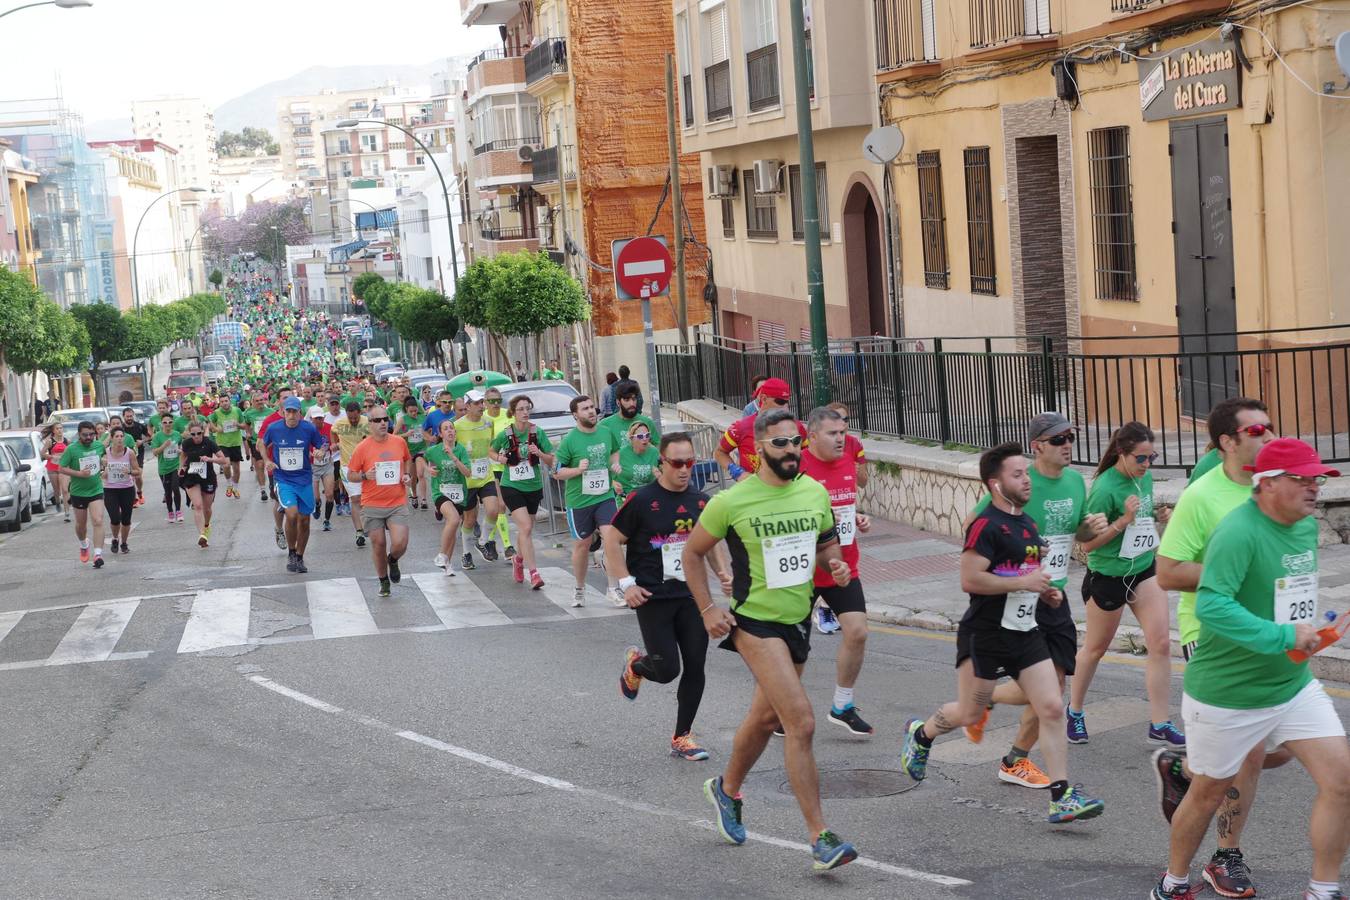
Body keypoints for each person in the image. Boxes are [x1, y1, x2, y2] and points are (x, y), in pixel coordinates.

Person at [1150, 438, 1350, 900]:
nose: (1314, 487)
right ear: (1269, 483)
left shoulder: (1303, 527)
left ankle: (1323, 890)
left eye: (1317, 478)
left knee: (1340, 780)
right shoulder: (1238, 531)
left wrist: (1311, 634)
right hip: (1229, 693)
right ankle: (1173, 883)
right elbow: (1215, 606)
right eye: (1303, 478)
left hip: (1291, 684)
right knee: (1208, 793)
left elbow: (1287, 595)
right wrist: (1282, 637)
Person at [682, 408, 859, 871]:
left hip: (798, 620)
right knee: (799, 722)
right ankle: (820, 837)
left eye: (795, 441)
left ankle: (725, 788)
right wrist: (707, 610)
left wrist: (835, 564)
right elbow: (692, 553)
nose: (790, 450)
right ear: (758, 447)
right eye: (779, 443)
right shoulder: (732, 501)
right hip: (754, 624)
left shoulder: (814, 492)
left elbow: (825, 544)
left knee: (763, 720)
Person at [899, 441, 1105, 823]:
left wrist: (1047, 592)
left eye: (1026, 473)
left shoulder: (1027, 525)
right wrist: (1023, 583)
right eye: (1017, 474)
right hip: (986, 634)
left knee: (1052, 706)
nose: (1026, 480)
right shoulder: (985, 526)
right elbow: (970, 579)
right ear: (995, 484)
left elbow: (1026, 578)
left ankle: (1062, 796)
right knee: (968, 712)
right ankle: (921, 734)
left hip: (1024, 632)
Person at [1155, 397, 1279, 898]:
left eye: (1271, 426)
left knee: (1275, 750)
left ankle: (1183, 769)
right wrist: (1230, 576)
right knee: (1248, 753)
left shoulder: (1274, 489)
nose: (1269, 436)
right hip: (1209, 633)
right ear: (1228, 441)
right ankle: (1226, 856)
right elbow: (1168, 571)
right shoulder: (1202, 496)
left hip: (1267, 633)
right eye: (1258, 430)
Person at [958, 412, 1109, 788]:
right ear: (1037, 446)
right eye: (1058, 439)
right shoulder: (1019, 484)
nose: (1067, 444)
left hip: (1053, 594)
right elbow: (974, 527)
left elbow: (1075, 532)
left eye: (1070, 436)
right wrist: (1014, 568)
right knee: (1045, 691)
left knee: (1052, 689)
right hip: (1017, 598)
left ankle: (1011, 753)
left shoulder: (1075, 481)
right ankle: (987, 711)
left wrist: (1089, 528)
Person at [608, 431, 731, 761]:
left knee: (696, 664)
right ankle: (637, 664)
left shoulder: (701, 501)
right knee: (666, 671)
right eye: (677, 463)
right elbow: (611, 541)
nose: (684, 469)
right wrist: (626, 584)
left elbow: (710, 541)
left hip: (692, 596)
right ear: (661, 462)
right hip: (653, 597)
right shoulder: (643, 500)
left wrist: (721, 572)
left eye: (690, 462)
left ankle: (682, 736)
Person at [1068, 421, 1184, 746]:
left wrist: (1157, 518)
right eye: (1141, 459)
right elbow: (1087, 546)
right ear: (1122, 453)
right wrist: (1123, 521)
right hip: (1108, 577)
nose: (1147, 465)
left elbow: (1141, 521)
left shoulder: (1143, 478)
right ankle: (1074, 711)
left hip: (1144, 569)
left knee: (1160, 643)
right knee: (1094, 649)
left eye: (1152, 457)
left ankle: (1160, 722)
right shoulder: (1105, 489)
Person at [798, 406, 876, 736]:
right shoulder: (797, 467)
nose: (841, 439)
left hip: (844, 565)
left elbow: (842, 505)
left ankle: (842, 705)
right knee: (795, 649)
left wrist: (856, 518)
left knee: (857, 632)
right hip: (804, 570)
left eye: (843, 432)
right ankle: (778, 707)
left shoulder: (847, 460)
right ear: (812, 436)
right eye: (833, 433)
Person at [553, 395, 623, 608]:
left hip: (604, 496)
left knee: (611, 538)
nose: (591, 411)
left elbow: (614, 452)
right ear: (575, 415)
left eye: (592, 407)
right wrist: (577, 470)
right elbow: (557, 472)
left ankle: (613, 589)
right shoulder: (569, 440)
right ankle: (579, 588)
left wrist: (615, 466)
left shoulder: (605, 432)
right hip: (579, 501)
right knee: (582, 545)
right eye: (585, 409)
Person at [489, 395, 555, 589]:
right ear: (513, 412)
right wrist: (500, 459)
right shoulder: (506, 433)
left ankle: (518, 559)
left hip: (533, 486)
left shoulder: (537, 432)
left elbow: (551, 459)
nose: (525, 412)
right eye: (521, 409)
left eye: (528, 408)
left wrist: (539, 453)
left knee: (527, 529)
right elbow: (491, 451)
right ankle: (534, 573)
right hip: (512, 486)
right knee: (525, 527)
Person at [347, 405, 413, 598]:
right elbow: (351, 475)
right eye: (378, 420)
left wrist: (407, 475)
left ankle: (393, 560)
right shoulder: (362, 448)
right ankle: (383, 580)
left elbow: (407, 460)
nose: (383, 423)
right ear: (370, 424)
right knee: (378, 543)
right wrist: (365, 475)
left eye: (385, 419)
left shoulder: (399, 442)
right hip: (372, 503)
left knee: (400, 543)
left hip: (397, 502)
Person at [263, 396, 327, 573]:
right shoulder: (274, 428)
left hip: (304, 479)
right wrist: (267, 459)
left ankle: (299, 556)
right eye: (288, 411)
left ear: (300, 413)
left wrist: (321, 451)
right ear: (283, 412)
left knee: (305, 520)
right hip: (284, 479)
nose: (291, 415)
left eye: (294, 412)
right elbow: (261, 443)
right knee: (291, 514)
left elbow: (323, 442)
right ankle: (291, 552)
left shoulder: (308, 428)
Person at [714, 377, 805, 481]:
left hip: (788, 491)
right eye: (780, 401)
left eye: (787, 401)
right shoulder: (741, 427)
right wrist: (737, 473)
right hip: (752, 493)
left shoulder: (796, 426)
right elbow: (719, 452)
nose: (785, 407)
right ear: (764, 398)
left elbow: (809, 453)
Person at [455, 389, 505, 568]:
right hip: (467, 478)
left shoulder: (489, 423)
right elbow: (451, 449)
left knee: (494, 509)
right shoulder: (458, 426)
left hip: (485, 474)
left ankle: (482, 542)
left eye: (482, 403)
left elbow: (490, 446)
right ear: (467, 406)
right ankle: (466, 553)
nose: (481, 406)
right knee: (469, 519)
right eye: (476, 403)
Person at [55, 421, 107, 569]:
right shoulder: (71, 449)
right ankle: (84, 544)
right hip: (78, 492)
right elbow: (61, 468)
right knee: (81, 525)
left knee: (97, 520)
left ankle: (97, 554)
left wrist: (105, 463)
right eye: (85, 435)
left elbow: (105, 459)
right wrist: (78, 473)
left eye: (91, 434)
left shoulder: (98, 446)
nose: (89, 437)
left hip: (96, 489)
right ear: (79, 434)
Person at [426, 418, 473, 576]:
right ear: (440, 434)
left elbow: (467, 473)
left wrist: (453, 457)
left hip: (459, 493)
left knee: (453, 526)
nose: (450, 431)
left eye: (452, 428)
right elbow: (419, 458)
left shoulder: (461, 450)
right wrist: (428, 468)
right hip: (441, 492)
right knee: (454, 519)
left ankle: (447, 564)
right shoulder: (434, 450)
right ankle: (441, 555)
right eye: (446, 429)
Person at [179, 421, 228, 548]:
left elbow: (224, 460)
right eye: (193, 434)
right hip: (191, 477)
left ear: (202, 432)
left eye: (199, 433)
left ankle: (206, 525)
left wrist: (210, 459)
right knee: (198, 506)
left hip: (208, 478)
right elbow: (183, 456)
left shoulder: (209, 443)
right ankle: (202, 535)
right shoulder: (186, 443)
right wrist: (182, 467)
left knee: (207, 508)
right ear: (190, 434)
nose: (196, 436)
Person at [333, 401, 371, 548]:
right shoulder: (340, 423)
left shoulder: (367, 422)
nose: (353, 421)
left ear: (360, 413)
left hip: (366, 466)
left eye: (355, 418)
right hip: (347, 466)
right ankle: (359, 531)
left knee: (366, 499)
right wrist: (335, 443)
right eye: (350, 418)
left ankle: (368, 522)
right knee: (355, 498)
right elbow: (333, 432)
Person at [484, 386, 514, 560]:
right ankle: (508, 546)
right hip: (491, 467)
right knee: (500, 506)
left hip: (508, 466)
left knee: (498, 509)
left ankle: (488, 539)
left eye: (498, 400)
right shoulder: (483, 419)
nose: (495, 404)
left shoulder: (507, 414)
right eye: (492, 401)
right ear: (485, 402)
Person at [101, 427, 140, 554]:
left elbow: (137, 471)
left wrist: (129, 471)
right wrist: (104, 471)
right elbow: (99, 474)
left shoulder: (129, 453)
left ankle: (123, 542)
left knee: (126, 519)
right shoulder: (105, 453)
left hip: (127, 489)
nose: (119, 439)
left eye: (121, 436)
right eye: (116, 436)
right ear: (111, 438)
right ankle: (114, 538)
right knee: (115, 518)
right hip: (110, 489)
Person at [207, 393, 245, 499]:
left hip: (235, 443)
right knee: (227, 465)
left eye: (226, 401)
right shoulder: (216, 412)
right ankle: (229, 484)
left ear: (230, 401)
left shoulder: (237, 411)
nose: (224, 403)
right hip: (222, 443)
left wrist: (237, 424)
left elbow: (244, 426)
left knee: (237, 469)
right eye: (222, 401)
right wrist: (215, 429)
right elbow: (209, 422)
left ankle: (235, 488)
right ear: (220, 403)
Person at [600, 382, 659, 447]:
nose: (632, 403)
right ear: (618, 402)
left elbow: (657, 448)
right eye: (627, 400)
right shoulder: (605, 425)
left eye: (634, 399)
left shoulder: (647, 422)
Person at [150, 414, 184, 523]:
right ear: (161, 424)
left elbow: (181, 448)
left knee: (175, 488)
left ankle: (178, 511)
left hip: (175, 466)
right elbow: (155, 452)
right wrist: (164, 446)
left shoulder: (177, 435)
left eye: (170, 422)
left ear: (173, 423)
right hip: (164, 469)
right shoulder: (157, 436)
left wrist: (180, 451)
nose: (167, 424)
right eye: (165, 422)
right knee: (168, 491)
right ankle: (170, 512)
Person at [308, 406, 337, 532]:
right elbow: (303, 446)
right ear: (311, 419)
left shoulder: (330, 428)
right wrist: (312, 453)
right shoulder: (307, 429)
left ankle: (327, 520)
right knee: (316, 498)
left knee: (330, 494)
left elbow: (336, 443)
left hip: (327, 465)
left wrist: (327, 449)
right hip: (313, 466)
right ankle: (317, 505)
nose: (319, 420)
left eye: (320, 418)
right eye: (316, 418)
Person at [397, 397, 429, 510]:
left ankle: (424, 499)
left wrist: (428, 437)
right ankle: (414, 495)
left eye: (415, 411)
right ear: (406, 409)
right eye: (411, 411)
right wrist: (406, 434)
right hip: (409, 452)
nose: (414, 413)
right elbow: (393, 435)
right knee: (413, 477)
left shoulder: (423, 418)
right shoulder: (402, 420)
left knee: (421, 474)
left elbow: (428, 432)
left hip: (421, 450)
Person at [615, 421, 659, 500]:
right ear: (631, 438)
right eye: (640, 436)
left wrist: (660, 476)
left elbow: (665, 474)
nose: (645, 439)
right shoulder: (621, 453)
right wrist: (614, 484)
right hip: (626, 497)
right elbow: (607, 472)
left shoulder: (654, 452)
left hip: (649, 496)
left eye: (647, 435)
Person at [120, 406, 149, 507]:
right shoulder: (121, 429)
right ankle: (134, 499)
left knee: (138, 475)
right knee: (129, 477)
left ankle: (139, 492)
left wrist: (143, 441)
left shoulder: (140, 426)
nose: (129, 418)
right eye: (127, 416)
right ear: (123, 417)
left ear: (133, 416)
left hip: (138, 453)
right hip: (125, 455)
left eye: (131, 416)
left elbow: (150, 436)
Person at [41, 423, 68, 521]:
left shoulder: (66, 441)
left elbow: (71, 452)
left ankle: (67, 511)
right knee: (57, 490)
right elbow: (42, 453)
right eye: (57, 428)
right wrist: (52, 456)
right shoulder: (50, 441)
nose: (60, 430)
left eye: (61, 428)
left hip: (63, 467)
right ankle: (57, 502)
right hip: (52, 467)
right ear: (53, 431)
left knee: (65, 490)